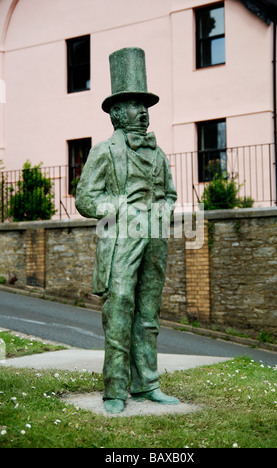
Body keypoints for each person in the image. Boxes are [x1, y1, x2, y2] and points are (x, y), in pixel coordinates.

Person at [76, 48, 179, 414]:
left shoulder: (160, 153)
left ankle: (147, 383)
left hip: (154, 238)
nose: (143, 111)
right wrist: (119, 208)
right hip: (121, 236)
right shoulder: (103, 152)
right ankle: (115, 390)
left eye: (145, 104)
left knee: (148, 312)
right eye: (134, 104)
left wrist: (163, 211)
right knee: (119, 305)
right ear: (117, 114)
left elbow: (170, 194)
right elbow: (85, 198)